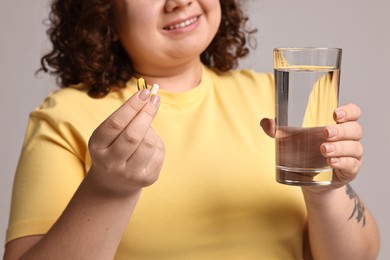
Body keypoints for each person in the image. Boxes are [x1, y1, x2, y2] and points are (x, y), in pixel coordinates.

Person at [4, 0, 380, 259]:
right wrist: (108, 189)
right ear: (104, 12)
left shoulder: (273, 96)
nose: (179, 1)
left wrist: (326, 190)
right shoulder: (65, 116)